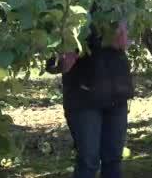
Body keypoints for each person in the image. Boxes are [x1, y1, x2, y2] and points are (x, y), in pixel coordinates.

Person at [46, 16, 134, 178]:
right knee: (88, 161)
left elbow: (125, 40)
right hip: (83, 98)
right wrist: (65, 58)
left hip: (117, 93)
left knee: (113, 158)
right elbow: (52, 62)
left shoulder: (115, 5)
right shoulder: (68, 9)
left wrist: (123, 35)